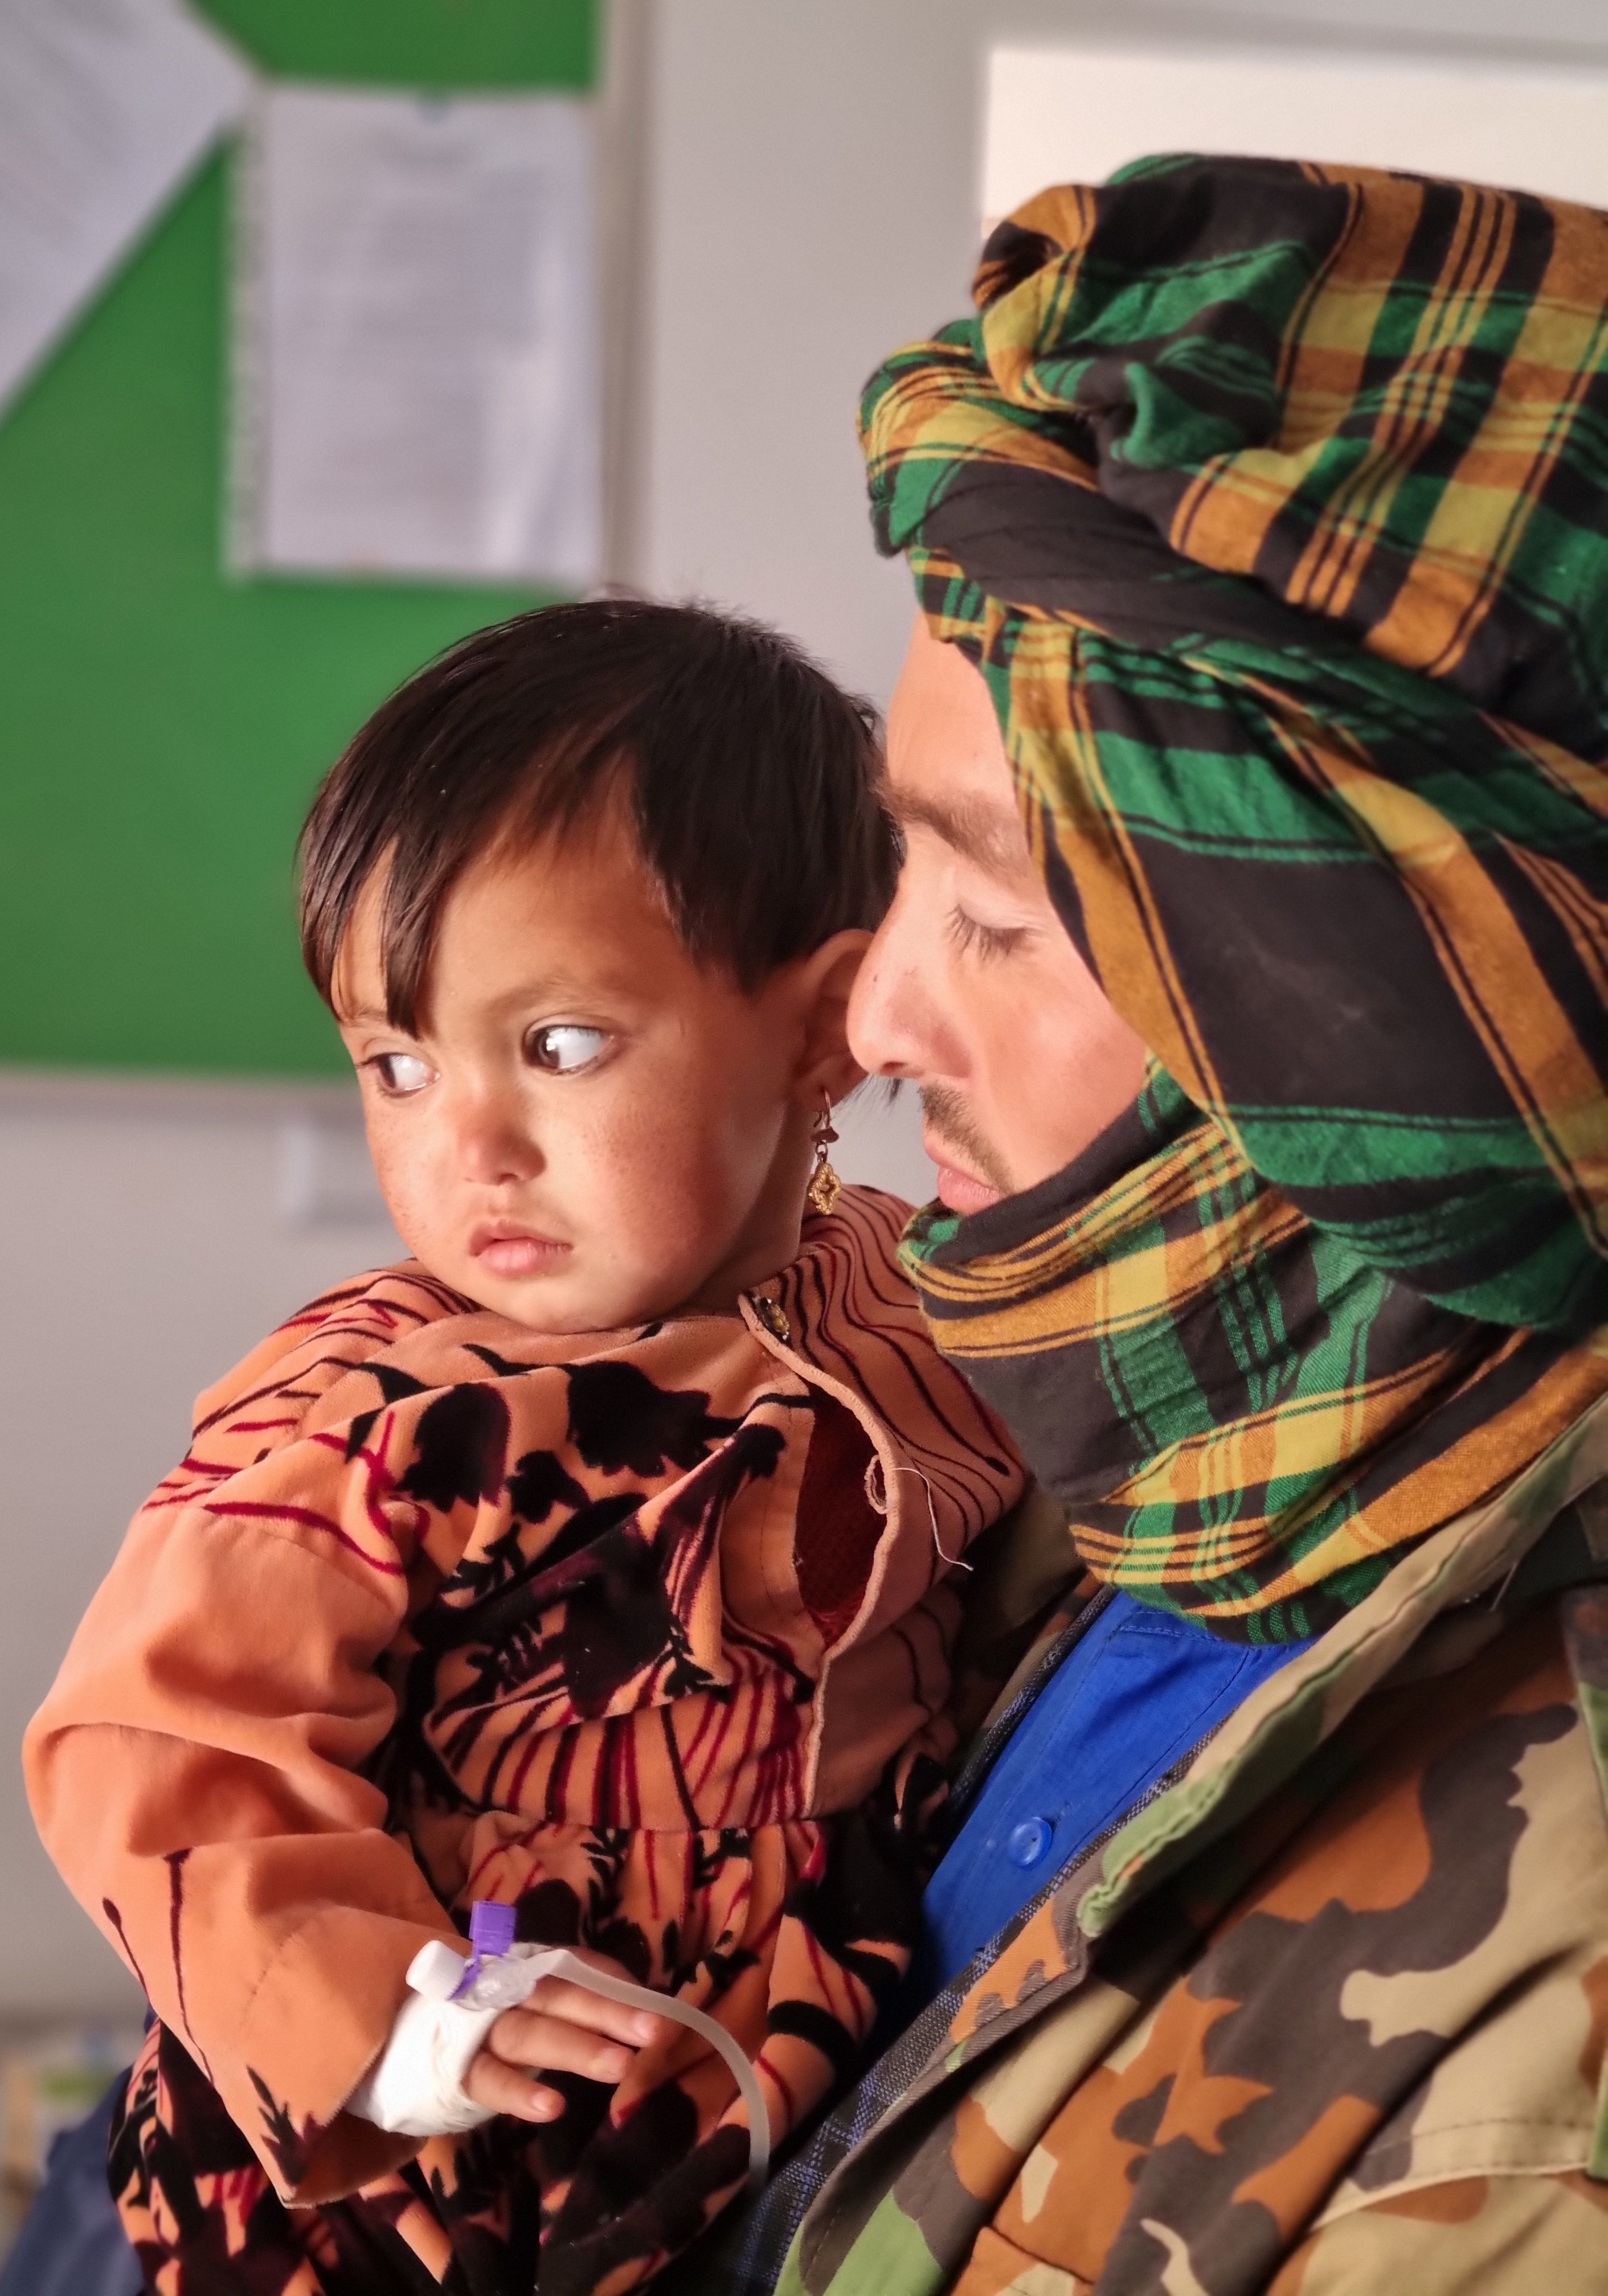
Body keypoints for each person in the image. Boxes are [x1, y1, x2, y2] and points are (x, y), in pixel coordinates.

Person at [706, 154, 1608, 2294]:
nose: (874, 1010)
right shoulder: (1106, 1442)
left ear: (1403, 1046)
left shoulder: (1550, 2091)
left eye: (1003, 917)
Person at [22, 600, 1025, 2296]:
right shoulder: (372, 1409)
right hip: (413, 2134)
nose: (467, 1143)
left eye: (559, 1048)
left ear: (824, 1027)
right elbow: (155, 1741)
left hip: (742, 2083)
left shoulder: (924, 1312)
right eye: (395, 1063)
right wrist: (389, 2026)